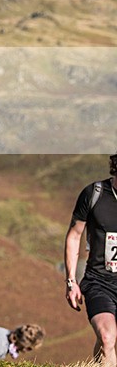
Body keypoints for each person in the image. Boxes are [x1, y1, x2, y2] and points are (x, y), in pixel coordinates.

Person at [65, 153, 117, 367]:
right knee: (107, 337)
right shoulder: (94, 194)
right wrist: (71, 281)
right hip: (100, 282)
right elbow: (74, 235)